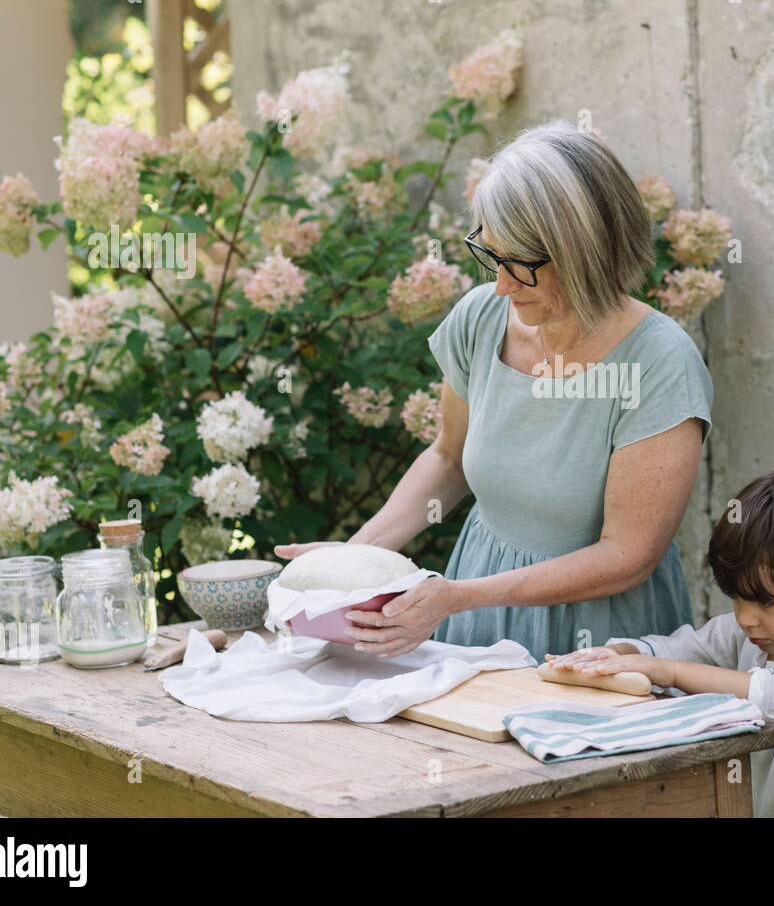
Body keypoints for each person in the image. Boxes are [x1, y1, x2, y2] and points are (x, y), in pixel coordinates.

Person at [278, 119, 714, 660]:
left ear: (586, 254)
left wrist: (459, 597)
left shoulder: (660, 363)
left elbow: (628, 556)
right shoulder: (481, 319)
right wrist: (352, 563)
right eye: (492, 256)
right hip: (473, 613)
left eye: (523, 266)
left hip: (598, 640)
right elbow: (448, 458)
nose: (503, 285)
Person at [546, 470, 774, 818]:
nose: (746, 618)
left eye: (766, 602)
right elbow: (680, 648)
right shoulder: (750, 632)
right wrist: (622, 655)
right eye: (737, 598)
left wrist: (671, 672)